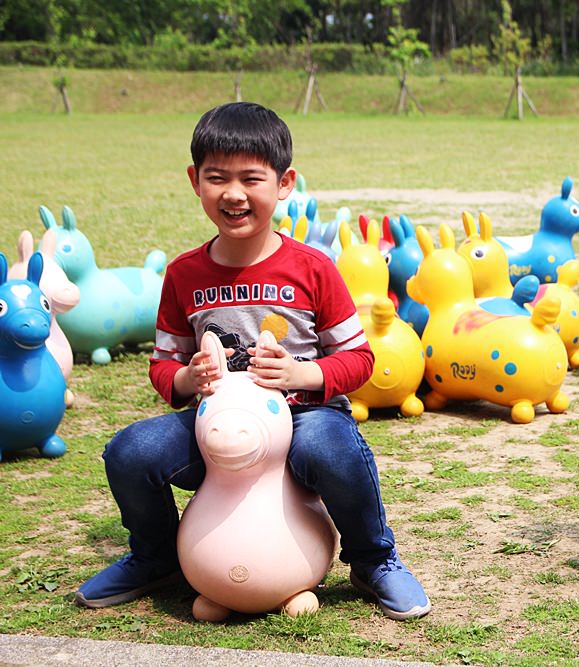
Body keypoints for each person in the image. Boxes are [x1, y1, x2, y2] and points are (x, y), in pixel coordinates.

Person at [75, 102, 430, 621]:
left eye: (251, 179)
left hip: (306, 416)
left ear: (284, 184)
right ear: (196, 181)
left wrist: (302, 374)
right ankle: (156, 557)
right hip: (217, 428)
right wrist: (186, 378)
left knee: (333, 448)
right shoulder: (183, 274)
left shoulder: (313, 268)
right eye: (217, 177)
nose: (233, 193)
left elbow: (359, 358)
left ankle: (373, 559)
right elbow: (163, 364)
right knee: (131, 451)